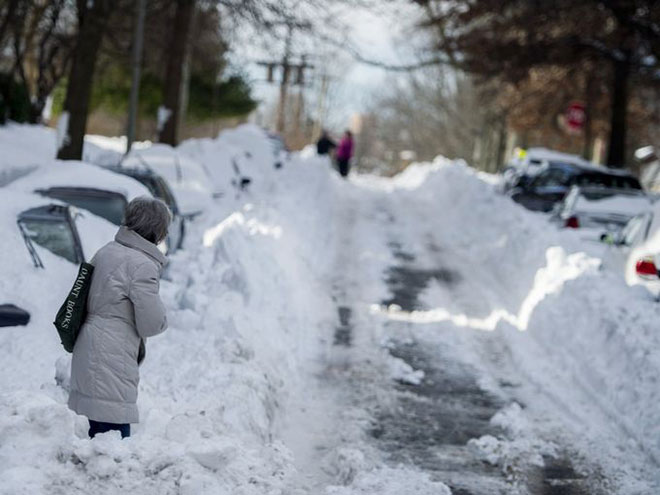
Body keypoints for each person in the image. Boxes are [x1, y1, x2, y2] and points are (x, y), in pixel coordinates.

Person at [68, 197, 171, 439]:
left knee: (92, 435)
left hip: (89, 344)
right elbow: (151, 323)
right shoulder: (142, 265)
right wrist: (164, 318)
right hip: (112, 354)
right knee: (113, 440)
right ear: (158, 230)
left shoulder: (107, 251)